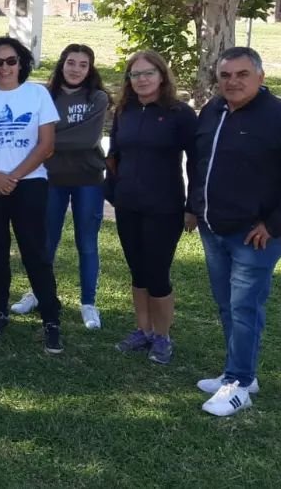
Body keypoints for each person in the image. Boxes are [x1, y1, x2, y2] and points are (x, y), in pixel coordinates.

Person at [190, 47, 281, 417]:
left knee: (245, 307)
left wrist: (276, 225)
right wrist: (194, 207)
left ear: (260, 77)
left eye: (242, 74)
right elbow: (200, 165)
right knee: (227, 304)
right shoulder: (212, 112)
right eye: (225, 75)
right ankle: (237, 372)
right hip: (213, 228)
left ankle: (240, 384)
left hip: (254, 236)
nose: (232, 82)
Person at [0, 36, 64, 354]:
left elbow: (46, 145)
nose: (4, 68)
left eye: (11, 61)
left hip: (29, 183)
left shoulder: (37, 94)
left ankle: (51, 318)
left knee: (35, 251)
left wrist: (13, 177)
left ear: (21, 63)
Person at [107, 50, 197, 366]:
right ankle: (142, 331)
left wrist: (193, 206)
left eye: (148, 73)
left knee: (157, 273)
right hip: (128, 204)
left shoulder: (179, 114)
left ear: (161, 76)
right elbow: (114, 154)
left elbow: (197, 162)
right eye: (135, 74)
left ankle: (162, 336)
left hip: (165, 206)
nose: (142, 79)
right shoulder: (124, 111)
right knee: (138, 271)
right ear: (129, 80)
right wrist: (112, 190)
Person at [12, 44, 108, 330]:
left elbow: (87, 139)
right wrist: (45, 140)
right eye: (71, 63)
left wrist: (48, 140)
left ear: (90, 69)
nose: (76, 69)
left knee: (87, 243)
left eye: (82, 64)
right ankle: (37, 293)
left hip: (88, 180)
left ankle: (88, 303)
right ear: (61, 65)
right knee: (44, 242)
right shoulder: (43, 95)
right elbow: (31, 132)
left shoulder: (98, 98)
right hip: (49, 179)